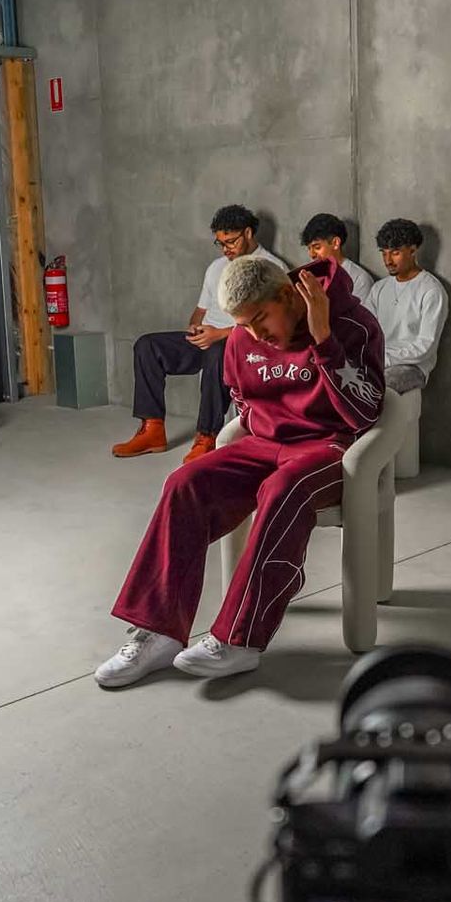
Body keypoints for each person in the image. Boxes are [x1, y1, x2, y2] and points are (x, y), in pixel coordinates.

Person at [96, 255, 386, 687]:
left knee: (283, 488)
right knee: (183, 484)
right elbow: (246, 408)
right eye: (243, 324)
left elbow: (367, 412)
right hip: (263, 445)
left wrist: (324, 339)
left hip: (330, 446)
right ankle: (158, 632)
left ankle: (240, 639)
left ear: (287, 295)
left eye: (260, 319)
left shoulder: (353, 323)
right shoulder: (241, 341)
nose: (253, 334)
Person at [112, 204, 286, 463]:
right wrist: (195, 328)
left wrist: (221, 333)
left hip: (242, 344)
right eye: (220, 243)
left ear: (248, 233)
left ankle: (207, 437)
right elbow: (199, 311)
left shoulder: (271, 268)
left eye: (231, 241)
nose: (225, 248)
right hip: (207, 337)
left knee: (218, 353)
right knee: (147, 346)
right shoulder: (216, 267)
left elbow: (272, 323)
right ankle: (152, 430)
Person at [366, 218, 447, 395]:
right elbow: (365, 331)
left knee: (372, 388)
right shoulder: (379, 288)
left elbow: (425, 346)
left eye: (395, 253)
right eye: (384, 253)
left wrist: (384, 359)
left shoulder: (431, 290)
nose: (388, 260)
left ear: (413, 250)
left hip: (412, 367)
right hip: (377, 359)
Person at [300, 212, 375, 303]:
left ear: (336, 243)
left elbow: (362, 316)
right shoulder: (309, 276)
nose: (312, 255)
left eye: (317, 247)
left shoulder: (359, 279)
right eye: (309, 248)